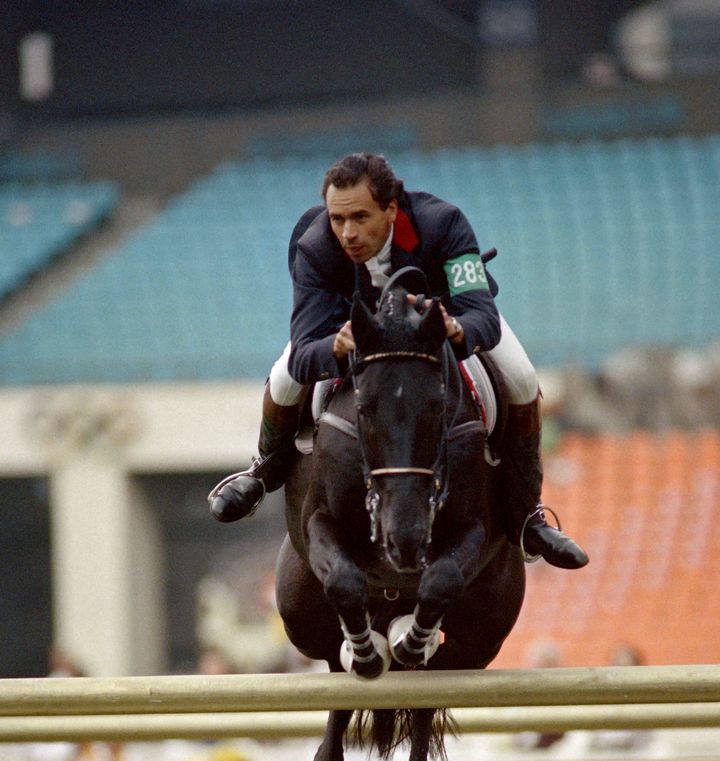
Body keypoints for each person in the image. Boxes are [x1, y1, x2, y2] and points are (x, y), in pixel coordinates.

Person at [209, 152, 588, 570]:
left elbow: (481, 314)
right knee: (282, 380)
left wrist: (458, 331)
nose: (348, 233)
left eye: (360, 217)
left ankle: (526, 514)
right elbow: (303, 351)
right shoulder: (316, 246)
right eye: (338, 220)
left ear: (391, 208)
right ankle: (262, 471)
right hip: (351, 327)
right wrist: (335, 345)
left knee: (520, 377)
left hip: (441, 318)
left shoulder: (443, 224)